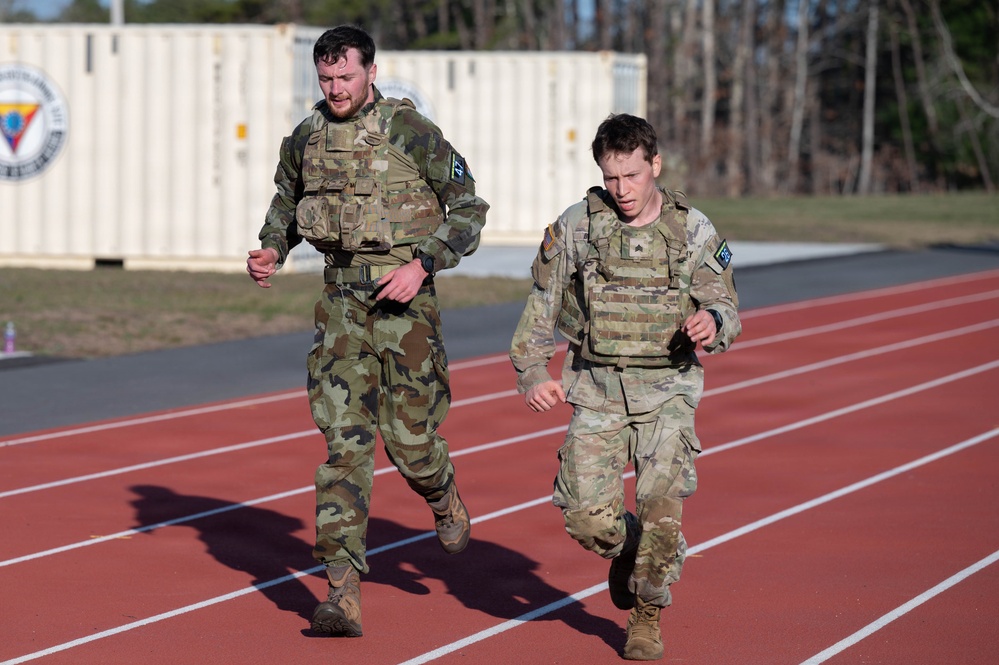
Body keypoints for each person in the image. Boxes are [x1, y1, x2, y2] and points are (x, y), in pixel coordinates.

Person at [246, 25, 488, 638]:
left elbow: (468, 207)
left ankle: (442, 494)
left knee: (409, 442)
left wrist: (423, 263)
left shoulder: (412, 133)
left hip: (405, 304)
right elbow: (286, 200)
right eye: (325, 79)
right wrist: (272, 248)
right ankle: (342, 592)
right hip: (340, 306)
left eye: (346, 77)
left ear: (372, 72)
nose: (336, 89)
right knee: (344, 444)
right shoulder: (306, 136)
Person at [509, 114, 740, 661]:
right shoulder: (578, 226)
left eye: (632, 176)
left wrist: (712, 321)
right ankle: (626, 546)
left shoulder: (693, 229)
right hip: (596, 390)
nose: (622, 190)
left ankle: (646, 615)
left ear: (654, 165)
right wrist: (532, 372)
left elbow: (727, 304)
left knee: (664, 509)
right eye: (611, 178)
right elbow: (541, 305)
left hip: (668, 392)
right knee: (587, 519)